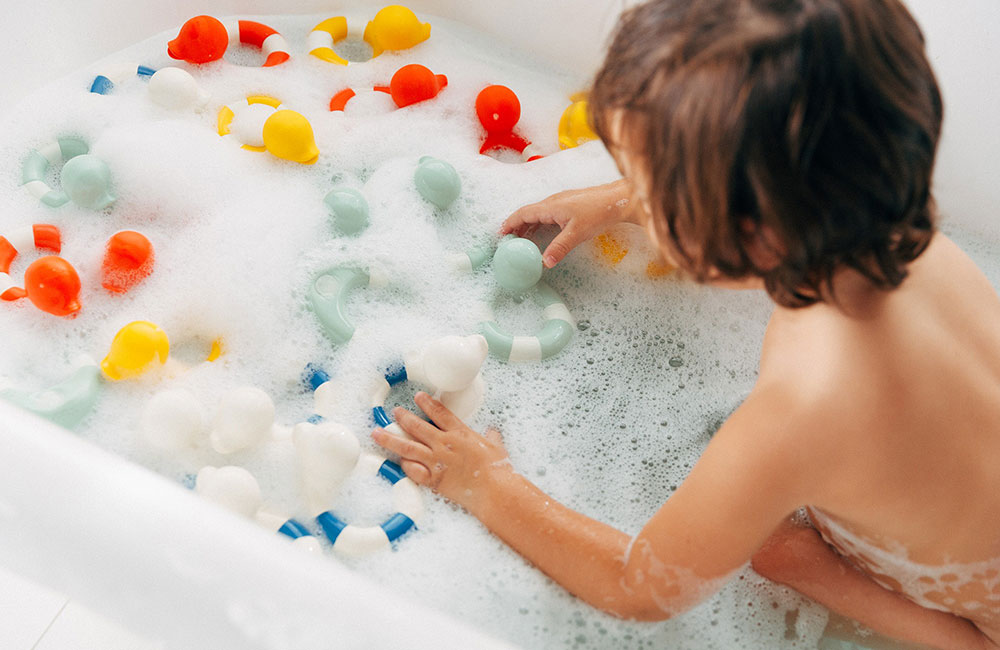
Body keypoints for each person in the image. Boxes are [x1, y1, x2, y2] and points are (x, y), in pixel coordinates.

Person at [373, 1, 1000, 647]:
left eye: (651, 186)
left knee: (779, 553)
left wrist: (487, 485)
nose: (634, 193)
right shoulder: (913, 240)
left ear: (739, 232)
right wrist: (622, 202)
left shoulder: (802, 406)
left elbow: (639, 587)